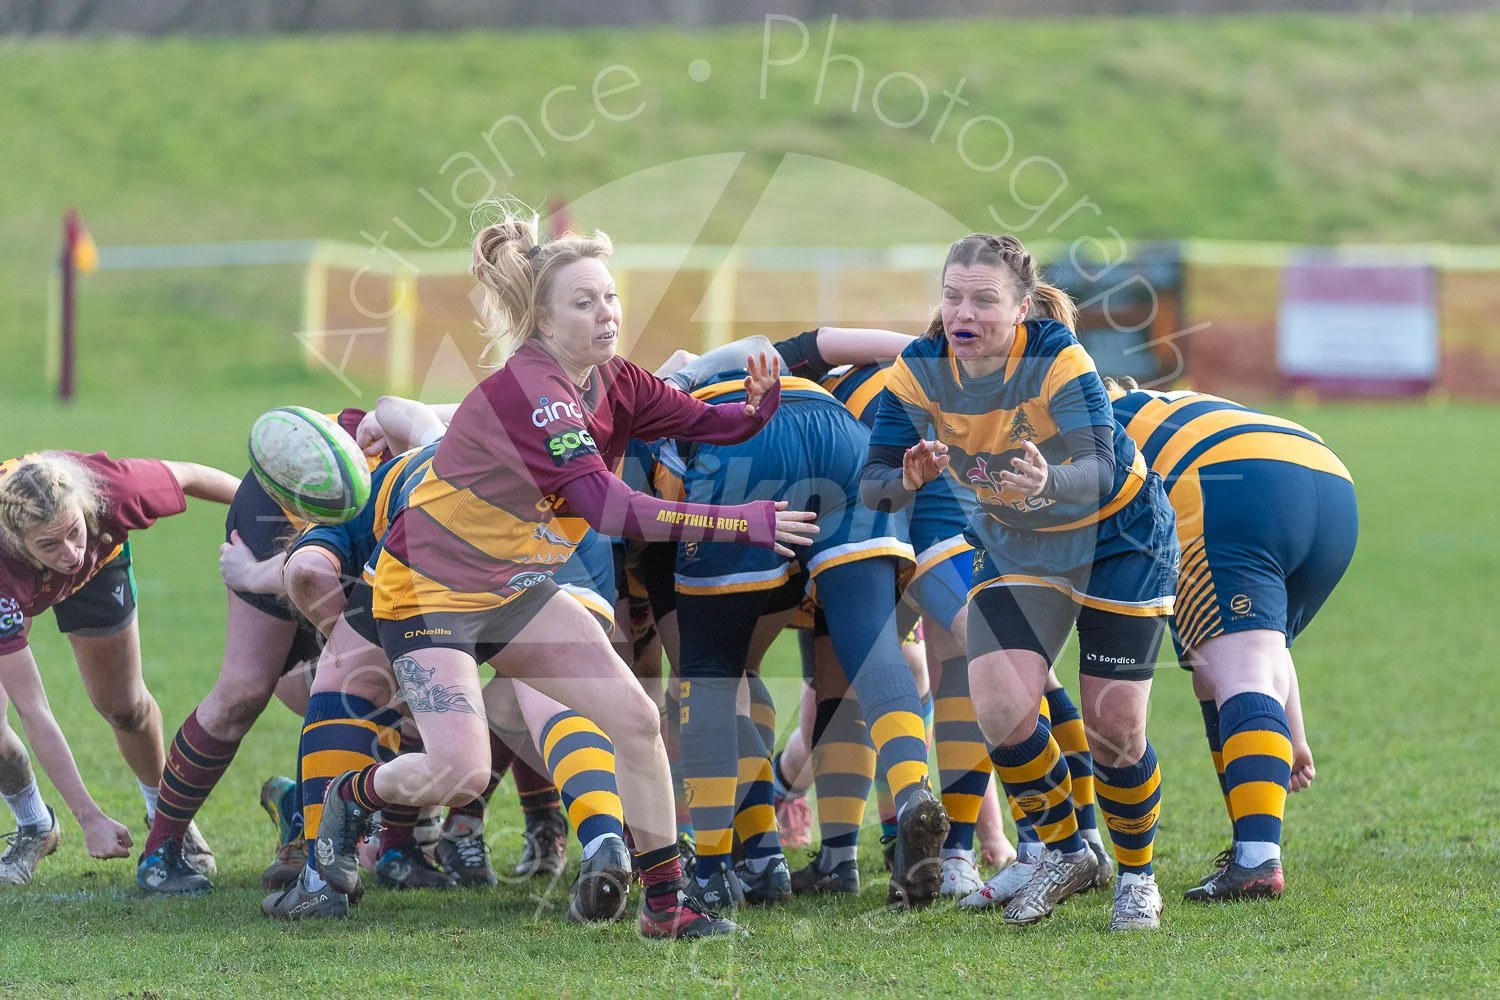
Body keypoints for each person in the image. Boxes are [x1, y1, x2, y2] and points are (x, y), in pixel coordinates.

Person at [293, 203, 817, 939]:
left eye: (611, 296)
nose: (607, 313)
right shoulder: (535, 391)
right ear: (541, 320)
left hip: (512, 587)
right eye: (584, 302)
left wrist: (757, 411)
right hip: (428, 593)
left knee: (636, 719)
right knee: (460, 774)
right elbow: (609, 508)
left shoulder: (615, 379)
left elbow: (702, 421)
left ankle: (666, 904)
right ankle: (350, 798)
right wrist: (740, 522)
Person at [862, 233, 1178, 931]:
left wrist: (1048, 480)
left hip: (1117, 538)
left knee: (1114, 727)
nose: (962, 313)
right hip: (1019, 545)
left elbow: (1098, 468)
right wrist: (905, 478)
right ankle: (1067, 854)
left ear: (1022, 306)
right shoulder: (920, 368)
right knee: (1001, 706)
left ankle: (1136, 876)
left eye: (983, 299)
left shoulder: (1057, 355)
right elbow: (874, 484)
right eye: (952, 296)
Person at [658, 343, 949, 911]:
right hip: (844, 439)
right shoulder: (780, 359)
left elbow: (656, 510)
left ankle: (716, 868)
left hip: (743, 443)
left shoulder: (646, 398)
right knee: (873, 649)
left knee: (711, 669)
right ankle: (909, 793)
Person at [1108, 379, 1356, 901]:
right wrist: (1294, 732)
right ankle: (1250, 844)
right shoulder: (1162, 405)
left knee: (1236, 670)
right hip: (1328, 478)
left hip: (1230, 482)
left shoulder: (1088, 416)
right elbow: (1268, 646)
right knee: (1224, 664)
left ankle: (1257, 859)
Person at [135, 407, 396, 895]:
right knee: (245, 689)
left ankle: (382, 840)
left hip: (374, 524)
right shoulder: (442, 471)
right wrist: (251, 573)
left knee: (395, 681)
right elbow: (309, 568)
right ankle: (161, 849)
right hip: (285, 509)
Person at [0, 451, 238, 885]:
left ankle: (166, 816)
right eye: (49, 544)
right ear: (18, 542)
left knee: (126, 708)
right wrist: (89, 817)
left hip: (100, 568)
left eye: (73, 531)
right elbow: (33, 708)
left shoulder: (113, 491)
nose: (69, 553)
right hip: (14, 582)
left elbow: (189, 475)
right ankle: (36, 825)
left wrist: (275, 517)